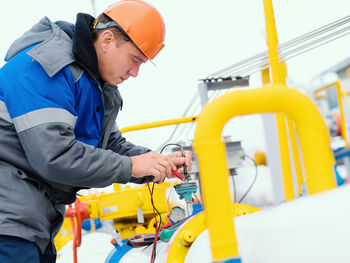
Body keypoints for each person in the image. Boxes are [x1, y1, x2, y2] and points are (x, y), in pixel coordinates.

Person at [0, 0, 192, 262]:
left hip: (33, 222)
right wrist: (133, 166)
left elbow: (110, 145)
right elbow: (55, 156)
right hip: (8, 220)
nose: (135, 73)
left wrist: (156, 163)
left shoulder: (93, 83)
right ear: (107, 39)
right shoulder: (45, 67)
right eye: (134, 60)